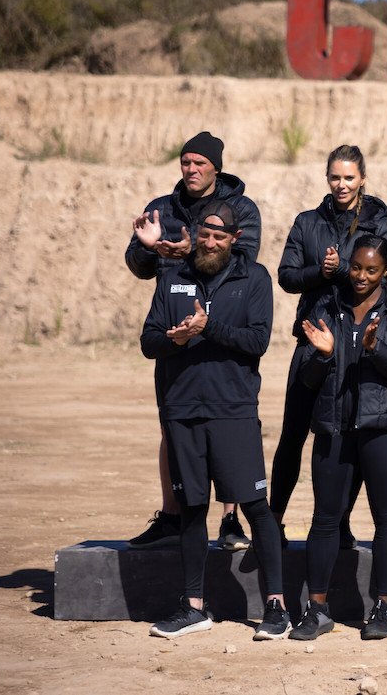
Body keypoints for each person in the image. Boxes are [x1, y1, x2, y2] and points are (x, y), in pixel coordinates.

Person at [140, 201, 288, 639]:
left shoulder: (253, 278)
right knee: (191, 508)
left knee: (255, 507)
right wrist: (175, 339)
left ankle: (277, 607)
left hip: (232, 410)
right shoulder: (174, 277)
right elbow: (148, 341)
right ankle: (193, 607)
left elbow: (257, 341)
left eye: (219, 237)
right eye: (204, 234)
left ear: (234, 239)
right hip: (182, 411)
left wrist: (209, 328)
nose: (209, 243)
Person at [127, 131, 260, 552]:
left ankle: (230, 520)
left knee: (225, 430)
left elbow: (245, 261)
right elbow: (137, 265)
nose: (191, 169)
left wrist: (190, 252)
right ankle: (172, 517)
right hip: (175, 331)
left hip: (224, 328)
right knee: (172, 425)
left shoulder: (241, 208)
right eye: (186, 162)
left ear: (216, 167)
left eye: (200, 163)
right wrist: (151, 249)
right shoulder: (161, 208)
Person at [288, 235, 387, 642]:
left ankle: (382, 606)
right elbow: (308, 379)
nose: (361, 276)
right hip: (334, 426)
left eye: (371, 270)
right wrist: (324, 355)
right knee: (325, 519)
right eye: (357, 267)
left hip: (383, 429)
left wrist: (375, 348)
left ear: (386, 271)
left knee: (386, 518)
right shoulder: (327, 306)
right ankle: (317, 608)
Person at [271, 145, 387, 546]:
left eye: (349, 177)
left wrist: (341, 269)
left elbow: (381, 278)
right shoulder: (307, 222)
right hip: (312, 337)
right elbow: (287, 277)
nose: (341, 184)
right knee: (293, 434)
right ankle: (272, 521)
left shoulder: (378, 223)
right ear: (327, 178)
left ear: (362, 179)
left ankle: (339, 523)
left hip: (355, 343)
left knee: (346, 436)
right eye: (335, 177)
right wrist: (320, 272)